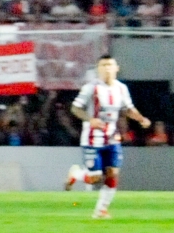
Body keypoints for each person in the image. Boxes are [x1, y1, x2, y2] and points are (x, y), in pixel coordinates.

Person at [64, 55, 151, 218]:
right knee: (95, 178)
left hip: (111, 138)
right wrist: (90, 119)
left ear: (116, 68)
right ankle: (76, 174)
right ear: (98, 69)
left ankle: (101, 210)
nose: (107, 68)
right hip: (92, 139)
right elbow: (75, 108)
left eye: (110, 65)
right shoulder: (91, 88)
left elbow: (127, 109)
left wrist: (141, 119)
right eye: (103, 65)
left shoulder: (121, 88)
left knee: (113, 173)